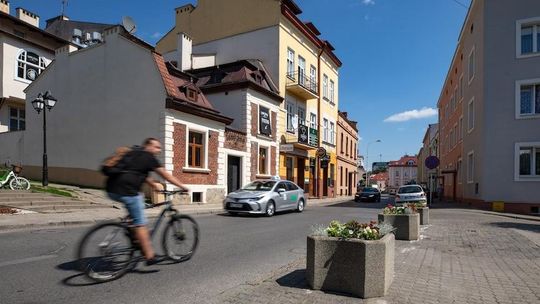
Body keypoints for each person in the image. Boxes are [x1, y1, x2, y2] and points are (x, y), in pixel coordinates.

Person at [104, 138, 189, 265]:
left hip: (111, 189)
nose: (159, 151)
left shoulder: (133, 153)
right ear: (148, 146)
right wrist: (183, 187)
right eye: (157, 147)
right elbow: (166, 175)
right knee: (141, 223)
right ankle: (149, 255)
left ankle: (134, 237)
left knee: (137, 210)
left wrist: (154, 186)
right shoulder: (148, 157)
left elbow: (140, 174)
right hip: (127, 191)